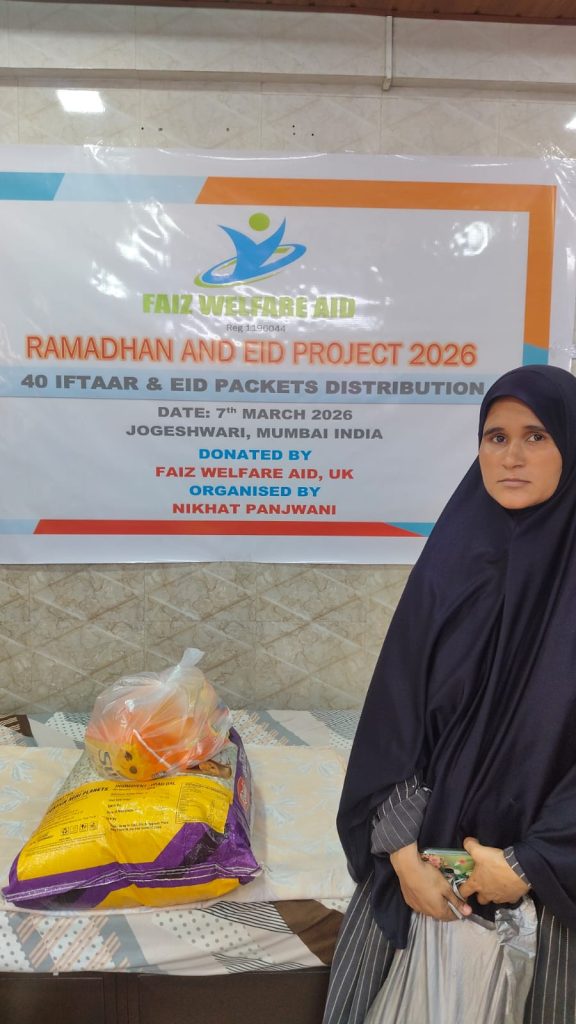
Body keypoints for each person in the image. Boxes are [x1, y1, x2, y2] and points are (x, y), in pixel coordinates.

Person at [323, 364, 576, 1024]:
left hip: (553, 886)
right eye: (496, 437)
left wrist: (529, 863)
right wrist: (405, 857)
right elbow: (394, 720)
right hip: (427, 874)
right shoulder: (451, 563)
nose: (512, 456)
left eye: (537, 436)